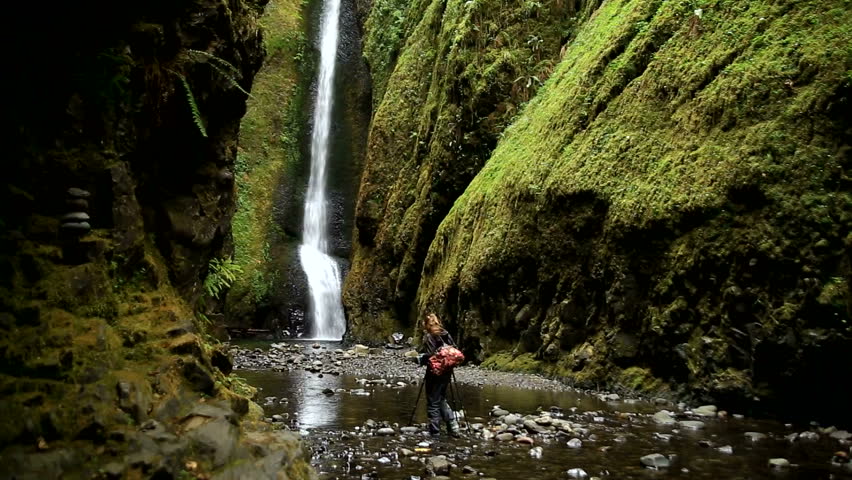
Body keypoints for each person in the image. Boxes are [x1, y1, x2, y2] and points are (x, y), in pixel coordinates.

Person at [414, 313, 461, 437]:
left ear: (425, 325)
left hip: (434, 373)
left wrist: (420, 359)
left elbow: (430, 356)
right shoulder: (445, 334)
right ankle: (453, 425)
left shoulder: (429, 336)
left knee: (433, 401)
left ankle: (435, 431)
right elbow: (455, 349)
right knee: (440, 397)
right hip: (447, 371)